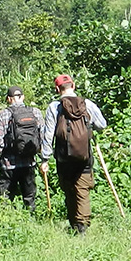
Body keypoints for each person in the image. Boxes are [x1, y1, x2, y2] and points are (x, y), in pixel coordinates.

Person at [40, 74, 107, 234]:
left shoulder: (54, 107)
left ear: (57, 89)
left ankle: (73, 224)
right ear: (74, 85)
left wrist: (45, 158)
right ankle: (82, 227)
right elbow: (102, 125)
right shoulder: (87, 104)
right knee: (82, 190)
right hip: (84, 156)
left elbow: (48, 134)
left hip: (63, 158)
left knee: (69, 189)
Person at [0, 85, 44, 210]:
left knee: (5, 199)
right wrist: (43, 157)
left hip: (9, 164)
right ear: (23, 97)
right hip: (29, 162)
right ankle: (32, 223)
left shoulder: (3, 115)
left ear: (8, 99)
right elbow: (43, 137)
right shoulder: (35, 112)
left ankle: (5, 223)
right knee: (29, 198)